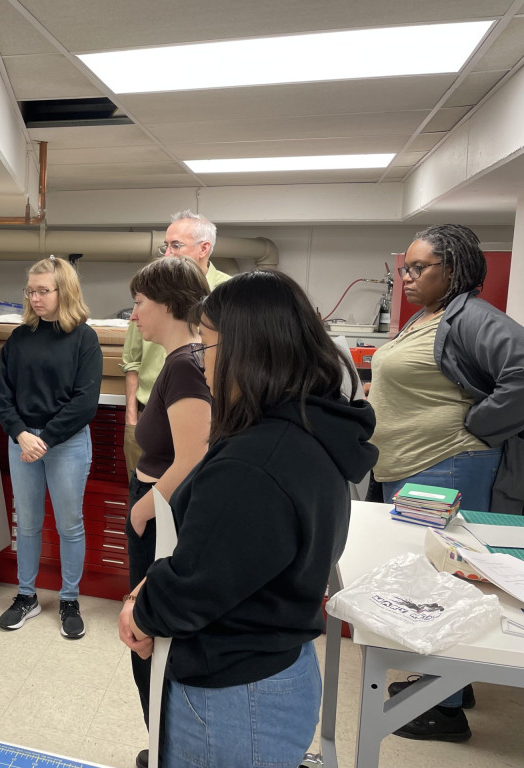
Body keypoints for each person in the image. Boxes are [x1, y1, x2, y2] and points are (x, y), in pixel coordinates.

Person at [119, 270, 377, 768]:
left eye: (210, 348)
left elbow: (197, 584)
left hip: (235, 697)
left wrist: (141, 608)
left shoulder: (254, 465)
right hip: (277, 663)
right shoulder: (308, 427)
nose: (204, 362)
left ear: (249, 352)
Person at [369, 223, 524, 741]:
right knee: (431, 580)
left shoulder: (475, 316)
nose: (406, 276)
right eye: (405, 267)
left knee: (442, 584)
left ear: (452, 271)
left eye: (418, 268)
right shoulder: (432, 316)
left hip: (448, 467)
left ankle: (445, 709)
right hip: (418, 468)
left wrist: (478, 423)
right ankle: (448, 683)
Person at [125, 257, 212, 768]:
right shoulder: (185, 358)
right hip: (159, 512)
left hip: (162, 520)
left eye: (139, 304)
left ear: (168, 305)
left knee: (146, 638)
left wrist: (143, 512)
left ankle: (166, 751)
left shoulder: (184, 363)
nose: (134, 315)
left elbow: (196, 456)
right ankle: (164, 745)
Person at [0, 256, 102, 639]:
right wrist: (22, 434)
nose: (35, 298)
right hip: (23, 441)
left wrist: (46, 439)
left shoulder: (84, 339)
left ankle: (69, 599)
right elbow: (4, 396)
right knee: (26, 523)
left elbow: (85, 401)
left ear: (64, 291)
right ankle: (27, 595)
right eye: (31, 291)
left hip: (66, 443)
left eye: (44, 291)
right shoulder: (20, 338)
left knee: (69, 525)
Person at [121, 210, 229, 479]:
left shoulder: (229, 294)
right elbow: (132, 359)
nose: (167, 253)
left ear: (204, 248)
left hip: (205, 413)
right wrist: (132, 418)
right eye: (165, 245)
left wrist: (141, 511)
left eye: (176, 246)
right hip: (149, 414)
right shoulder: (152, 290)